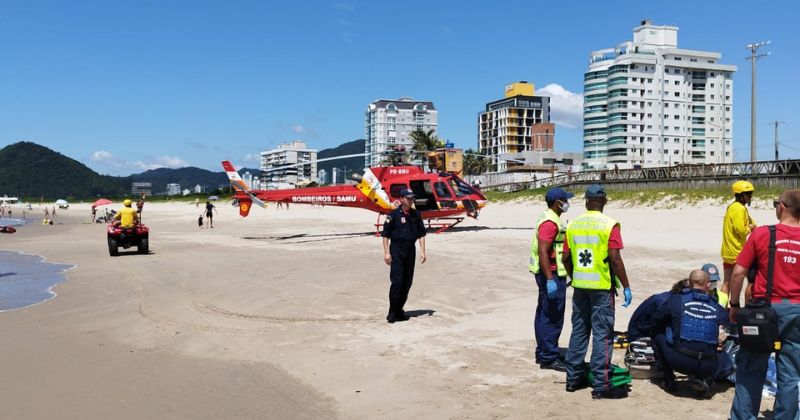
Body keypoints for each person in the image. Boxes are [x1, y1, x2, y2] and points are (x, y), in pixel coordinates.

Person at [729, 190, 800, 420]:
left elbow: (738, 272)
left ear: (782, 207)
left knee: (751, 367)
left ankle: (743, 417)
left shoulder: (762, 234)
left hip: (763, 311)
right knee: (789, 374)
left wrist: (734, 304)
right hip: (796, 312)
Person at [562, 184, 632, 399]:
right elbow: (615, 259)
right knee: (603, 335)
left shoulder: (573, 224)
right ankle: (601, 385)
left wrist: (574, 276)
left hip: (580, 287)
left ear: (586, 202)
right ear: (605, 202)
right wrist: (626, 286)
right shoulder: (609, 225)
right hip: (602, 288)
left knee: (579, 331)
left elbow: (565, 257)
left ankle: (572, 379)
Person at [650, 269, 733, 397]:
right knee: (726, 362)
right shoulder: (716, 306)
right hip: (707, 364)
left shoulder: (676, 301)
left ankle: (669, 380)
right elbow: (728, 326)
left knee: (657, 333)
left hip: (680, 361)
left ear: (689, 283)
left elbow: (656, 320)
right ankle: (705, 380)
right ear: (708, 285)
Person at [529, 187, 574, 372]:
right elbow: (543, 251)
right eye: (565, 200)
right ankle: (549, 357)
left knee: (543, 314)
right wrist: (550, 279)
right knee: (552, 316)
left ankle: (544, 352)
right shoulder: (550, 223)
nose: (567, 203)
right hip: (551, 274)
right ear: (557, 203)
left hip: (549, 273)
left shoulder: (549, 217)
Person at [381, 188, 427, 323]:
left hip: (410, 251)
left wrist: (423, 251)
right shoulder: (393, 215)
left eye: (412, 198)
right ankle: (392, 312)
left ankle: (399, 310)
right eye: (408, 198)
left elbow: (421, 234)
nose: (411, 200)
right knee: (397, 282)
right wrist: (386, 252)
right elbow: (385, 235)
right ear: (401, 199)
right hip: (396, 250)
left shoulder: (416, 215)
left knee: (407, 283)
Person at [719, 180, 756, 307]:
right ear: (740, 195)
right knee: (751, 282)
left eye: (751, 193)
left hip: (728, 251)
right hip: (738, 252)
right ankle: (747, 309)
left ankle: (721, 309)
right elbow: (741, 231)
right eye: (748, 193)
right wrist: (751, 228)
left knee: (727, 283)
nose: (750, 196)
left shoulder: (732, 207)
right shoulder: (739, 209)